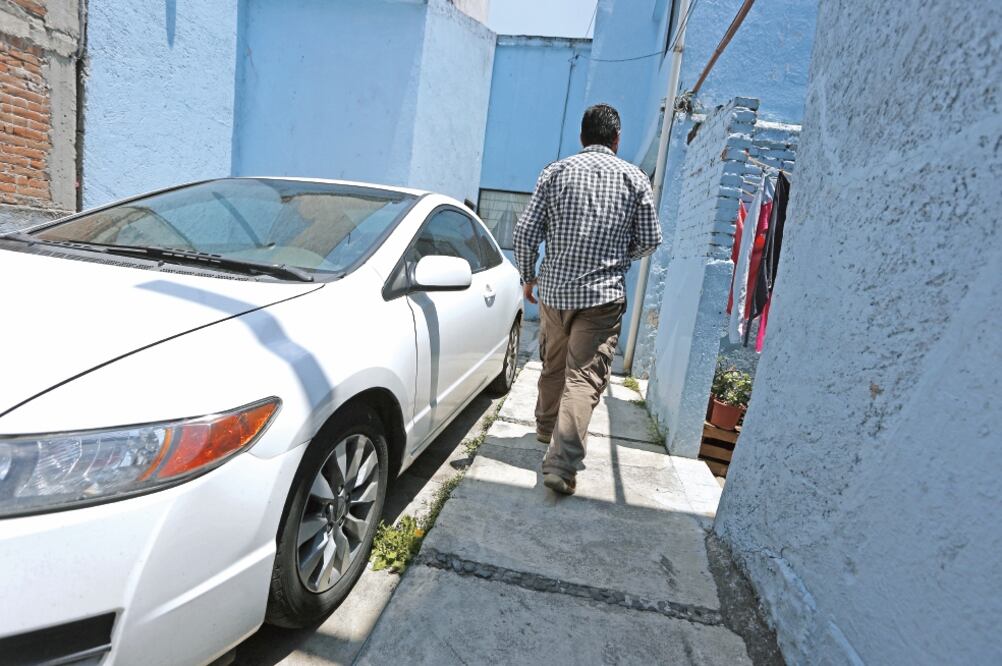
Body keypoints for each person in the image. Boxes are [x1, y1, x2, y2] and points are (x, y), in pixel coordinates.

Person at [513, 103, 662, 496]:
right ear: (617, 139)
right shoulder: (634, 178)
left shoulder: (555, 172)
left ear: (582, 138)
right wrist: (620, 255)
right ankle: (561, 464)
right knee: (583, 378)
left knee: (553, 364)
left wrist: (529, 277)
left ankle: (546, 430)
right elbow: (650, 239)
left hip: (556, 293)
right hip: (602, 298)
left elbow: (526, 232)